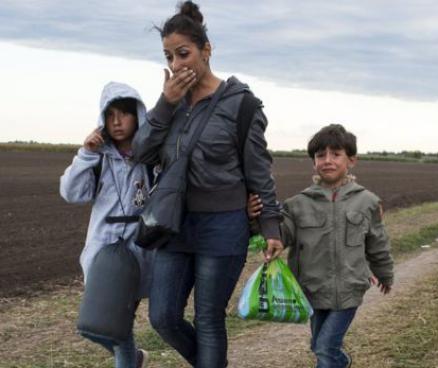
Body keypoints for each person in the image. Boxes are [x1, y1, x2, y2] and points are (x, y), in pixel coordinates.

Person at [131, 2, 283, 366]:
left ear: (207, 50)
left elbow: (259, 170)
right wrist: (165, 105)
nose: (176, 64)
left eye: (183, 53)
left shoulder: (241, 104)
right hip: (173, 224)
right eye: (169, 56)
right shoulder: (171, 102)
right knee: (162, 316)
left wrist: (271, 226)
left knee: (209, 320)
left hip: (223, 225)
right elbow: (141, 151)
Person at [250, 124, 394, 368]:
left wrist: (385, 274)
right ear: (313, 162)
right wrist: (255, 219)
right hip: (312, 290)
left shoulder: (367, 201)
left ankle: (335, 359)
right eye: (320, 155)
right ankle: (342, 361)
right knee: (319, 345)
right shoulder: (297, 204)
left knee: (325, 348)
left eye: (336, 154)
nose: (327, 160)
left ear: (351, 160)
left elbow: (377, 243)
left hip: (349, 290)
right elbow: (280, 236)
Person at [60, 82, 153, 368]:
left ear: (137, 115)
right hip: (102, 255)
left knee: (120, 326)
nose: (117, 121)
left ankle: (129, 359)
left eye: (124, 113)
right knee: (95, 325)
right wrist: (86, 154)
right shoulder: (97, 158)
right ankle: (133, 358)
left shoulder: (150, 158)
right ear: (102, 119)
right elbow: (71, 193)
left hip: (138, 253)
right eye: (110, 114)